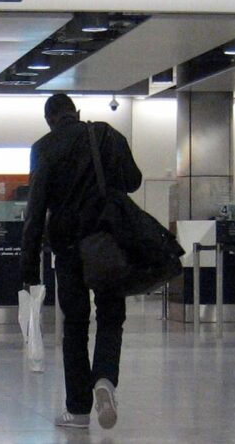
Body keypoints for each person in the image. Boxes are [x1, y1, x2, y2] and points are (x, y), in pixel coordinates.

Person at [21, 93, 142, 431]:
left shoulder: (43, 147)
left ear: (49, 121)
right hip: (107, 242)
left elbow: (35, 210)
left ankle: (77, 410)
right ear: (76, 112)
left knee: (74, 326)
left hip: (69, 248)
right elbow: (134, 180)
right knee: (110, 317)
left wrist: (28, 266)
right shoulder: (106, 134)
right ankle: (105, 380)